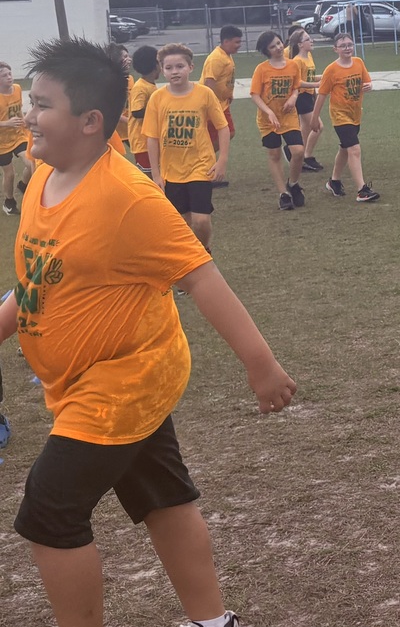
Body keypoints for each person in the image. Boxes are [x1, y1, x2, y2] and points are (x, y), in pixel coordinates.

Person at [0, 36, 296, 627]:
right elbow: (38, 281)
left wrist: (261, 365)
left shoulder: (129, 198)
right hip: (89, 377)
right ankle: (213, 622)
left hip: (124, 379)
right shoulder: (41, 180)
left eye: (41, 104)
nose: (26, 115)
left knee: (50, 512)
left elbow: (202, 280)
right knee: (161, 495)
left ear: (89, 121)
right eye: (29, 101)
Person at [144, 44, 229, 251]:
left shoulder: (204, 94)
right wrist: (156, 175)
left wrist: (222, 161)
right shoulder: (157, 97)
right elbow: (152, 138)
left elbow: (223, 127)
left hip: (201, 167)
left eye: (180, 66)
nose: (175, 72)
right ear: (162, 70)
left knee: (200, 220)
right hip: (171, 172)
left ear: (190, 67)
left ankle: (202, 251)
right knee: (182, 223)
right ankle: (192, 258)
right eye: (169, 68)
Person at [312, 33, 380, 202]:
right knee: (354, 149)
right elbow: (321, 95)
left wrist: (368, 86)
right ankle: (362, 190)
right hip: (340, 115)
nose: (347, 48)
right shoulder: (331, 70)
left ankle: (334, 181)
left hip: (355, 113)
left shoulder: (358, 62)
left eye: (350, 44)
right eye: (343, 45)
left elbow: (367, 82)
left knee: (345, 148)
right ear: (335, 49)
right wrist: (314, 118)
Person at [250, 31, 306, 210]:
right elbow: (255, 95)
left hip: (288, 116)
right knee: (274, 155)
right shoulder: (261, 69)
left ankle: (294, 183)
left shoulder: (293, 65)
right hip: (268, 120)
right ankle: (283, 194)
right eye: (273, 46)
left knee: (298, 152)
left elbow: (296, 87)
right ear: (267, 51)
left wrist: (293, 97)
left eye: (279, 43)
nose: (278, 47)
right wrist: (268, 112)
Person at [201, 26, 242, 187]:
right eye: (236, 42)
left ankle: (206, 164)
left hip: (223, 104)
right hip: (214, 106)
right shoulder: (216, 58)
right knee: (224, 134)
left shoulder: (226, 55)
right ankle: (204, 164)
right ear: (225, 41)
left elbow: (223, 80)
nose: (239, 45)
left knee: (227, 134)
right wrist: (211, 106)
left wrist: (228, 94)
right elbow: (209, 82)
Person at [286, 28, 325, 173]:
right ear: (300, 44)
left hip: (308, 96)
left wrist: (323, 76)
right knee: (318, 126)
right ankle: (305, 156)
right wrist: (315, 84)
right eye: (308, 39)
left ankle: (298, 156)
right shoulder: (296, 61)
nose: (311, 41)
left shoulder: (308, 57)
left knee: (306, 129)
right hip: (301, 97)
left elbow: (309, 77)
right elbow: (297, 82)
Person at [0, 61, 33, 215]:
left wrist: (24, 120)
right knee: (10, 173)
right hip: (1, 142)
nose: (9, 77)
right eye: (4, 75)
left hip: (19, 135)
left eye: (9, 73)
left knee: (31, 162)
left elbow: (18, 109)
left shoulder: (18, 89)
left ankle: (24, 185)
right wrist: (6, 123)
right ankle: (9, 203)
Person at [127, 45, 160, 178]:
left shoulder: (150, 85)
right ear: (154, 65)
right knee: (149, 175)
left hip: (151, 140)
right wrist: (160, 109)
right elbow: (137, 111)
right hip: (142, 142)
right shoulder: (140, 87)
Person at [106, 43, 134, 155]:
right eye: (124, 57)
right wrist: (129, 121)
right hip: (114, 129)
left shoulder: (130, 78)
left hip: (129, 128)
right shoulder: (109, 82)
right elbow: (108, 110)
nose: (129, 60)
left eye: (128, 56)